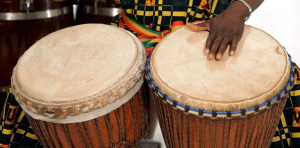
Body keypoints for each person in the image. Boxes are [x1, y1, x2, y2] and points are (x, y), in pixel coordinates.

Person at [0, 0, 299, 147]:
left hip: (210, 32)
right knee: (39, 92)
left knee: (286, 84)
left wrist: (240, 8)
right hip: (133, 35)